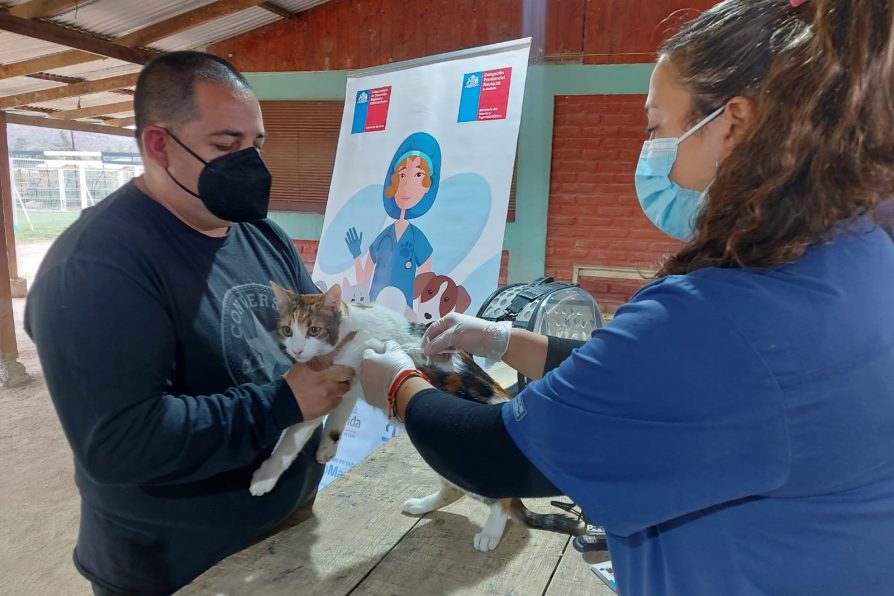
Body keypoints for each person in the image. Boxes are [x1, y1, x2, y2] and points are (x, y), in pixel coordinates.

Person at [358, 1, 894, 594]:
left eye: (656, 126)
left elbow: (496, 454)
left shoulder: (719, 313)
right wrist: (506, 340)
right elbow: (658, 386)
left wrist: (398, 385)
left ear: (734, 123)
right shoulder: (859, 254)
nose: (651, 150)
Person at [25, 52, 354, 595]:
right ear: (159, 146)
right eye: (226, 147)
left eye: (257, 145)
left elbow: (320, 324)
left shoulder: (258, 232)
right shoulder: (96, 266)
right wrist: (282, 403)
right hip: (176, 567)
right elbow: (120, 444)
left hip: (285, 530)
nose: (250, 164)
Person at [345, 132, 439, 307]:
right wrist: (356, 254)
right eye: (402, 176)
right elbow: (364, 280)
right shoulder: (383, 237)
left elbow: (426, 281)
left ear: (427, 187)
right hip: (375, 312)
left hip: (403, 315)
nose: (407, 186)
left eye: (418, 176)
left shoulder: (416, 237)